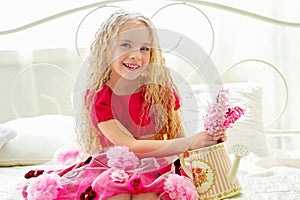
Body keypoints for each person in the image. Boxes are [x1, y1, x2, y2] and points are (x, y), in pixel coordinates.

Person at [21, 9, 226, 200]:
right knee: (115, 190)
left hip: (157, 165)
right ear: (106, 49)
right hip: (113, 165)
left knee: (152, 192)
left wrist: (206, 141)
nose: (136, 55)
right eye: (126, 45)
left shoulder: (160, 88)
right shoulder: (99, 96)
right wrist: (190, 142)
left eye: (144, 48)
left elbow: (179, 138)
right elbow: (130, 145)